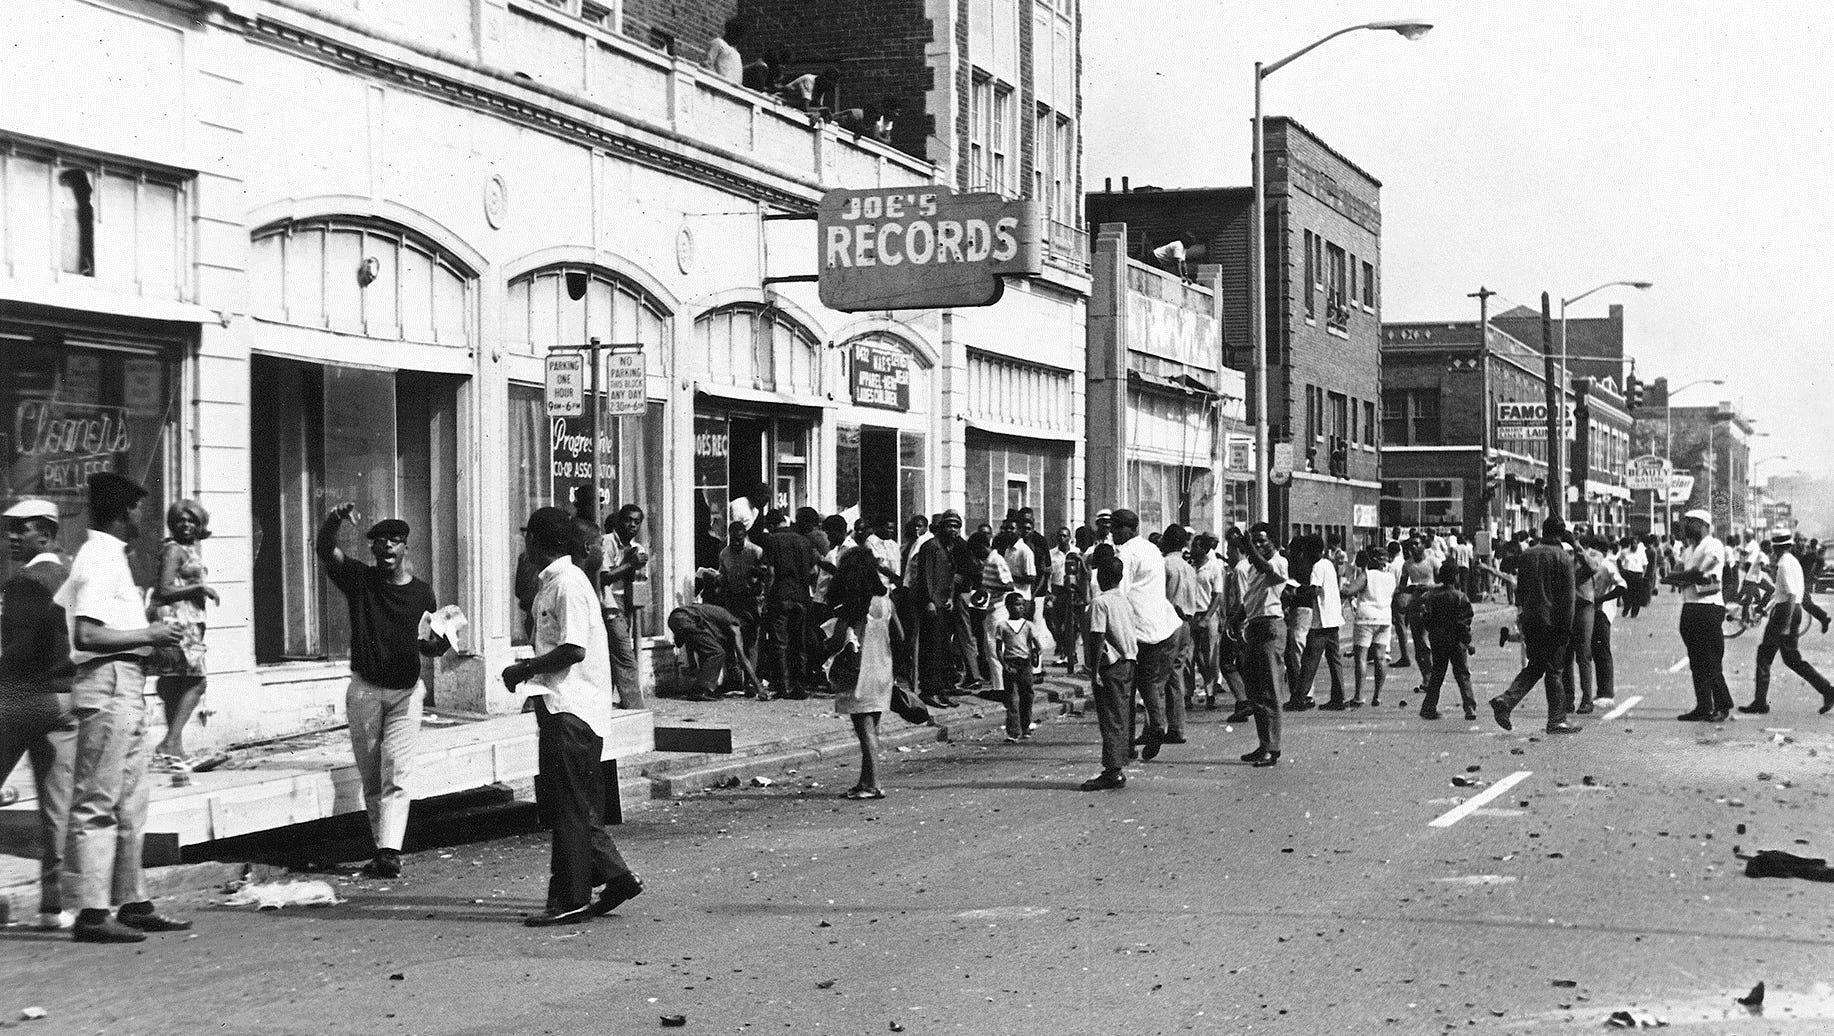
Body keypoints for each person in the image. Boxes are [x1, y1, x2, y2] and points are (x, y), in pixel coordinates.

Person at [56, 472, 188, 943]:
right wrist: (149, 635)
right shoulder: (98, 555)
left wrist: (149, 634)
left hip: (127, 681)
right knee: (98, 799)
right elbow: (86, 635)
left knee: (132, 800)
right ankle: (90, 913)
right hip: (108, 680)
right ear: (120, 512)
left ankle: (132, 900)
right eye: (137, 510)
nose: (142, 518)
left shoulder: (112, 557)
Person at [505, 507, 645, 926]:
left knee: (566, 808)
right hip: (562, 707)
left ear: (534, 541)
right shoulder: (556, 583)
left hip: (572, 710)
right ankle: (616, 878)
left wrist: (523, 670)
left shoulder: (568, 584)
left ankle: (569, 899)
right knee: (572, 805)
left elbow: (573, 650)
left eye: (527, 537)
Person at [317, 505, 451, 878]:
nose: (387, 547)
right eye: (380, 542)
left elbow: (429, 642)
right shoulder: (360, 580)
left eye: (394, 540)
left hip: (406, 693)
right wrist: (335, 520)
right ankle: (382, 849)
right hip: (365, 691)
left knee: (398, 770)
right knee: (373, 775)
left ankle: (390, 850)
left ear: (406, 547)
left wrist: (438, 647)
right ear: (373, 550)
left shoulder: (424, 593)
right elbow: (326, 550)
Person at [0, 499, 77, 930]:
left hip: (23, 697)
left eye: (20, 529)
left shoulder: (27, 582)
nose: (11, 537)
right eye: (9, 529)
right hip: (65, 700)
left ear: (45, 534)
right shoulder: (69, 577)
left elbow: (21, 652)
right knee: (57, 807)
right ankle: (54, 905)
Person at [1489, 517, 1579, 734]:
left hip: (1531, 620)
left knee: (1536, 666)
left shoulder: (1528, 555)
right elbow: (1568, 600)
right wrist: (1567, 629)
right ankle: (1556, 719)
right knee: (1554, 670)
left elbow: (1520, 592)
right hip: (1554, 622)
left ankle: (1506, 700)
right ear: (1562, 534)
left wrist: (1522, 615)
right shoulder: (1563, 558)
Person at [825, 548, 901, 799]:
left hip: (860, 671)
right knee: (873, 728)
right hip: (883, 665)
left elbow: (837, 641)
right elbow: (900, 636)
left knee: (864, 729)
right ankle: (864, 780)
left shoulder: (853, 604)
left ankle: (874, 784)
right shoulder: (885, 600)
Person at [147, 500, 218, 768]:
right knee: (197, 682)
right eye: (180, 520)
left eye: (191, 521)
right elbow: (163, 590)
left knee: (175, 684)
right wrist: (200, 588)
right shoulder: (174, 550)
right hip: (178, 623)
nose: (185, 525)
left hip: (188, 623)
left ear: (200, 524)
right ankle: (169, 743)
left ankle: (174, 748)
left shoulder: (188, 549)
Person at [1113, 509, 1188, 759]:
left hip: (1143, 630)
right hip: (1166, 624)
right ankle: (1153, 727)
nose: (1112, 532)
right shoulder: (1151, 549)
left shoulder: (1127, 553)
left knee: (1132, 687)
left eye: (1116, 527)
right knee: (1151, 684)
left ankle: (1151, 729)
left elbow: (1119, 594)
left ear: (1130, 528)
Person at [1740, 532, 1834, 715]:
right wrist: (1767, 610)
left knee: (1764, 655)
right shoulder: (1792, 562)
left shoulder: (1784, 564)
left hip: (1786, 612)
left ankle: (1760, 703)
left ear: (1776, 548)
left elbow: (1790, 595)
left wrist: (1785, 623)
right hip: (1792, 610)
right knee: (1792, 659)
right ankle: (1828, 690)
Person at [1660, 509, 1735, 722]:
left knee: (1710, 659)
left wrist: (1675, 578)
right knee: (1696, 659)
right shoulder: (1689, 549)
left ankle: (1722, 705)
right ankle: (1703, 706)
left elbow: (1699, 573)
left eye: (1691, 522)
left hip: (1709, 606)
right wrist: (1679, 577)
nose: (1687, 527)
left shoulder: (1713, 545)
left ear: (1703, 524)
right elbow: (1683, 573)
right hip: (1691, 605)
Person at [1228, 523, 1288, 765]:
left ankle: (1272, 747)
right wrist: (1236, 618)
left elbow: (1266, 569)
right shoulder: (1253, 567)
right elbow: (1250, 598)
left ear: (1273, 541)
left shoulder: (1278, 562)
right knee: (1254, 691)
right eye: (1255, 541)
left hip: (1270, 627)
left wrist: (1250, 547)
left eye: (1263, 541)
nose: (1259, 546)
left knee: (1270, 690)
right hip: (1254, 626)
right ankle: (1264, 742)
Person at [1080, 551, 1137, 792]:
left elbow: (1097, 636)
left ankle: (1113, 769)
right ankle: (1119, 761)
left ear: (1102, 576)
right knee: (1122, 714)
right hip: (1129, 661)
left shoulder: (1100, 603)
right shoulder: (1124, 600)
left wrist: (1093, 671)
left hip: (1111, 666)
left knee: (1111, 717)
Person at [908, 511, 965, 708]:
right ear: (941, 528)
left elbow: (950, 575)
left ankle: (941, 690)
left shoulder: (948, 547)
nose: (953, 530)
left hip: (943, 603)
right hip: (931, 604)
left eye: (956, 526)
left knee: (943, 649)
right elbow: (925, 577)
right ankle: (929, 690)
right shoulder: (930, 546)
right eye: (949, 526)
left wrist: (949, 598)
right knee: (930, 649)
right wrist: (929, 601)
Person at [760, 510, 816, 699]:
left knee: (780, 643)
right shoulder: (804, 541)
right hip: (801, 597)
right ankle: (800, 686)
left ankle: (782, 686)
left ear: (771, 525)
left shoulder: (772, 540)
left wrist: (767, 598)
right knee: (799, 643)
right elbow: (814, 570)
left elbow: (771, 573)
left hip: (781, 596)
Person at [1290, 534, 1347, 710]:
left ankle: (1299, 698)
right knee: (1334, 660)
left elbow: (1315, 590)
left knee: (1309, 661)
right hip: (1334, 619)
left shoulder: (1316, 567)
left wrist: (1295, 594)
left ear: (1311, 552)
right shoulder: (1328, 564)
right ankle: (1339, 699)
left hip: (1321, 621)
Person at [600, 504, 650, 709]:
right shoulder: (607, 542)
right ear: (620, 521)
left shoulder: (637, 548)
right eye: (628, 520)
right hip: (609, 603)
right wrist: (630, 564)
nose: (632, 525)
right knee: (624, 654)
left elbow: (640, 580)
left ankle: (604, 701)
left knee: (612, 653)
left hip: (628, 603)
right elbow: (604, 577)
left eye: (636, 522)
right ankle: (635, 706)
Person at [1416, 563, 1477, 720]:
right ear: (1456, 577)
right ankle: (1469, 707)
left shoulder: (1432, 596)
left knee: (1437, 674)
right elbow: (1464, 623)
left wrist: (1433, 631)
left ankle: (1429, 707)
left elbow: (1426, 618)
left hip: (1438, 640)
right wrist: (1467, 641)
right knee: (1463, 674)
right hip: (1456, 642)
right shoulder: (1461, 597)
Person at [667, 602, 761, 701]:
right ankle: (699, 691)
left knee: (709, 651)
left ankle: (703, 689)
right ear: (744, 625)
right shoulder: (735, 625)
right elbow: (743, 659)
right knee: (717, 653)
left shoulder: (718, 617)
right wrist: (759, 688)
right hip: (685, 619)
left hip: (675, 618)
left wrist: (692, 662)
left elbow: (691, 639)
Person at [1343, 546, 1395, 708]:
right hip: (1384, 618)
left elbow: (1350, 591)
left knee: (1361, 658)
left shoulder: (1367, 575)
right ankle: (1377, 696)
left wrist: (1343, 585)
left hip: (1365, 618)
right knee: (1381, 657)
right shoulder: (1391, 577)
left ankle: (1359, 697)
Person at [1160, 525, 1200, 711]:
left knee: (1161, 675)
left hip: (1169, 621)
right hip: (1186, 622)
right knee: (1177, 672)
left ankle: (1159, 723)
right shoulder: (1189, 568)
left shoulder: (1164, 564)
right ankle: (1177, 725)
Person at [994, 592, 1042, 743]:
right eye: (1017, 605)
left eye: (1022, 605)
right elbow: (998, 649)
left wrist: (1035, 655)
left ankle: (1025, 726)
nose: (1020, 608)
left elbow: (1037, 645)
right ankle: (1013, 731)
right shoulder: (1002, 626)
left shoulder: (1028, 625)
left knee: (1027, 695)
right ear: (1008, 607)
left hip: (1025, 664)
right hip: (1010, 663)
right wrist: (1004, 665)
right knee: (1012, 698)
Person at [702, 16, 745, 83]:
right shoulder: (718, 43)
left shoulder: (737, 54)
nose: (739, 40)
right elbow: (707, 64)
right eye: (737, 35)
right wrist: (718, 80)